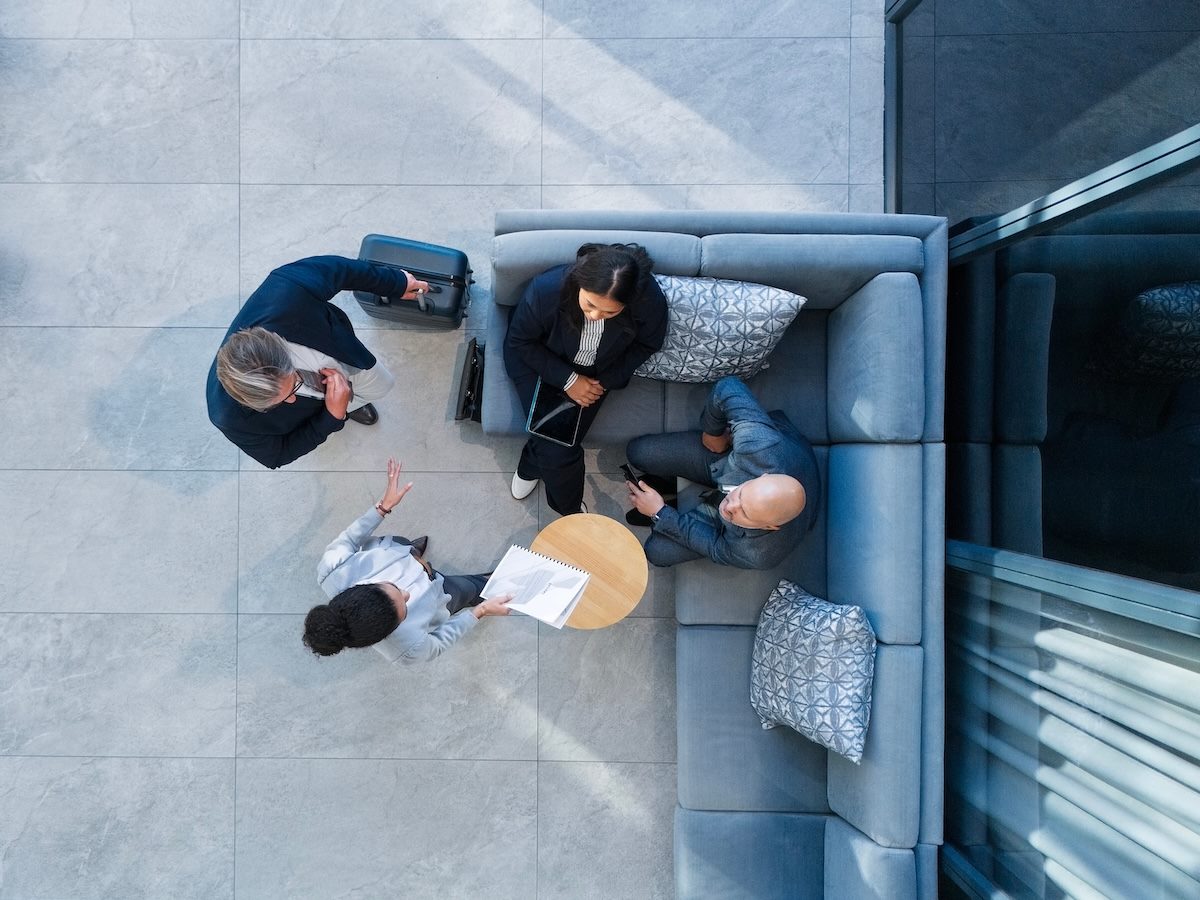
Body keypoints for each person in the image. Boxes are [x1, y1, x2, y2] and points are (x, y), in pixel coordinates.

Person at [207, 255, 431, 469]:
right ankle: (350, 407)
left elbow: (340, 270)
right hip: (321, 411)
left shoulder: (285, 294)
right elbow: (278, 455)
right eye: (276, 404)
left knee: (382, 384)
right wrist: (331, 417)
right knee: (357, 398)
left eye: (293, 385)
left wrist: (395, 283)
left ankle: (353, 401)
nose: (293, 399)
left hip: (342, 352)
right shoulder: (228, 418)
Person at [504, 242, 668, 515]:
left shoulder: (647, 299)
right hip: (538, 359)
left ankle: (530, 464)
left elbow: (648, 344)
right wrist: (569, 380)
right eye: (590, 304)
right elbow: (521, 341)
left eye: (609, 312)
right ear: (580, 283)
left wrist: (602, 381)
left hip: (597, 373)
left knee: (552, 443)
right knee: (558, 449)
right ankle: (570, 512)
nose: (595, 316)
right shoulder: (546, 290)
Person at [304, 458, 512, 664]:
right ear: (388, 632)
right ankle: (490, 590)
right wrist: (480, 611)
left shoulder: (332, 568)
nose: (406, 593)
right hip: (441, 592)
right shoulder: (408, 649)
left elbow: (350, 538)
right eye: (404, 609)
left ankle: (413, 551)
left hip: (398, 550)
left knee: (404, 544)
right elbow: (439, 643)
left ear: (363, 586)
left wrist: (382, 508)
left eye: (392, 586)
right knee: (471, 589)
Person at [624, 376, 820, 569]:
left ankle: (671, 502)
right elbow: (728, 387)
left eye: (745, 512)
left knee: (657, 551)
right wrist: (713, 432)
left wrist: (660, 513)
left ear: (769, 527)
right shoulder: (759, 445)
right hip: (727, 461)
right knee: (638, 452)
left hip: (752, 501)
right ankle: (670, 488)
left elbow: (716, 547)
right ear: (763, 476)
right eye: (742, 494)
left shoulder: (756, 553)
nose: (729, 505)